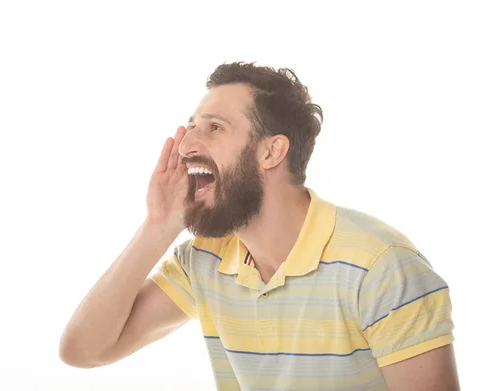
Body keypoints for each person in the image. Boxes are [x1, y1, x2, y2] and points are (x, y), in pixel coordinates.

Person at [59, 62, 460, 390]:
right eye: (192, 125)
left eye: (214, 127)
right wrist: (159, 225)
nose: (185, 145)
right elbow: (83, 350)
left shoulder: (381, 268)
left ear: (271, 151)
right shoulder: (205, 260)